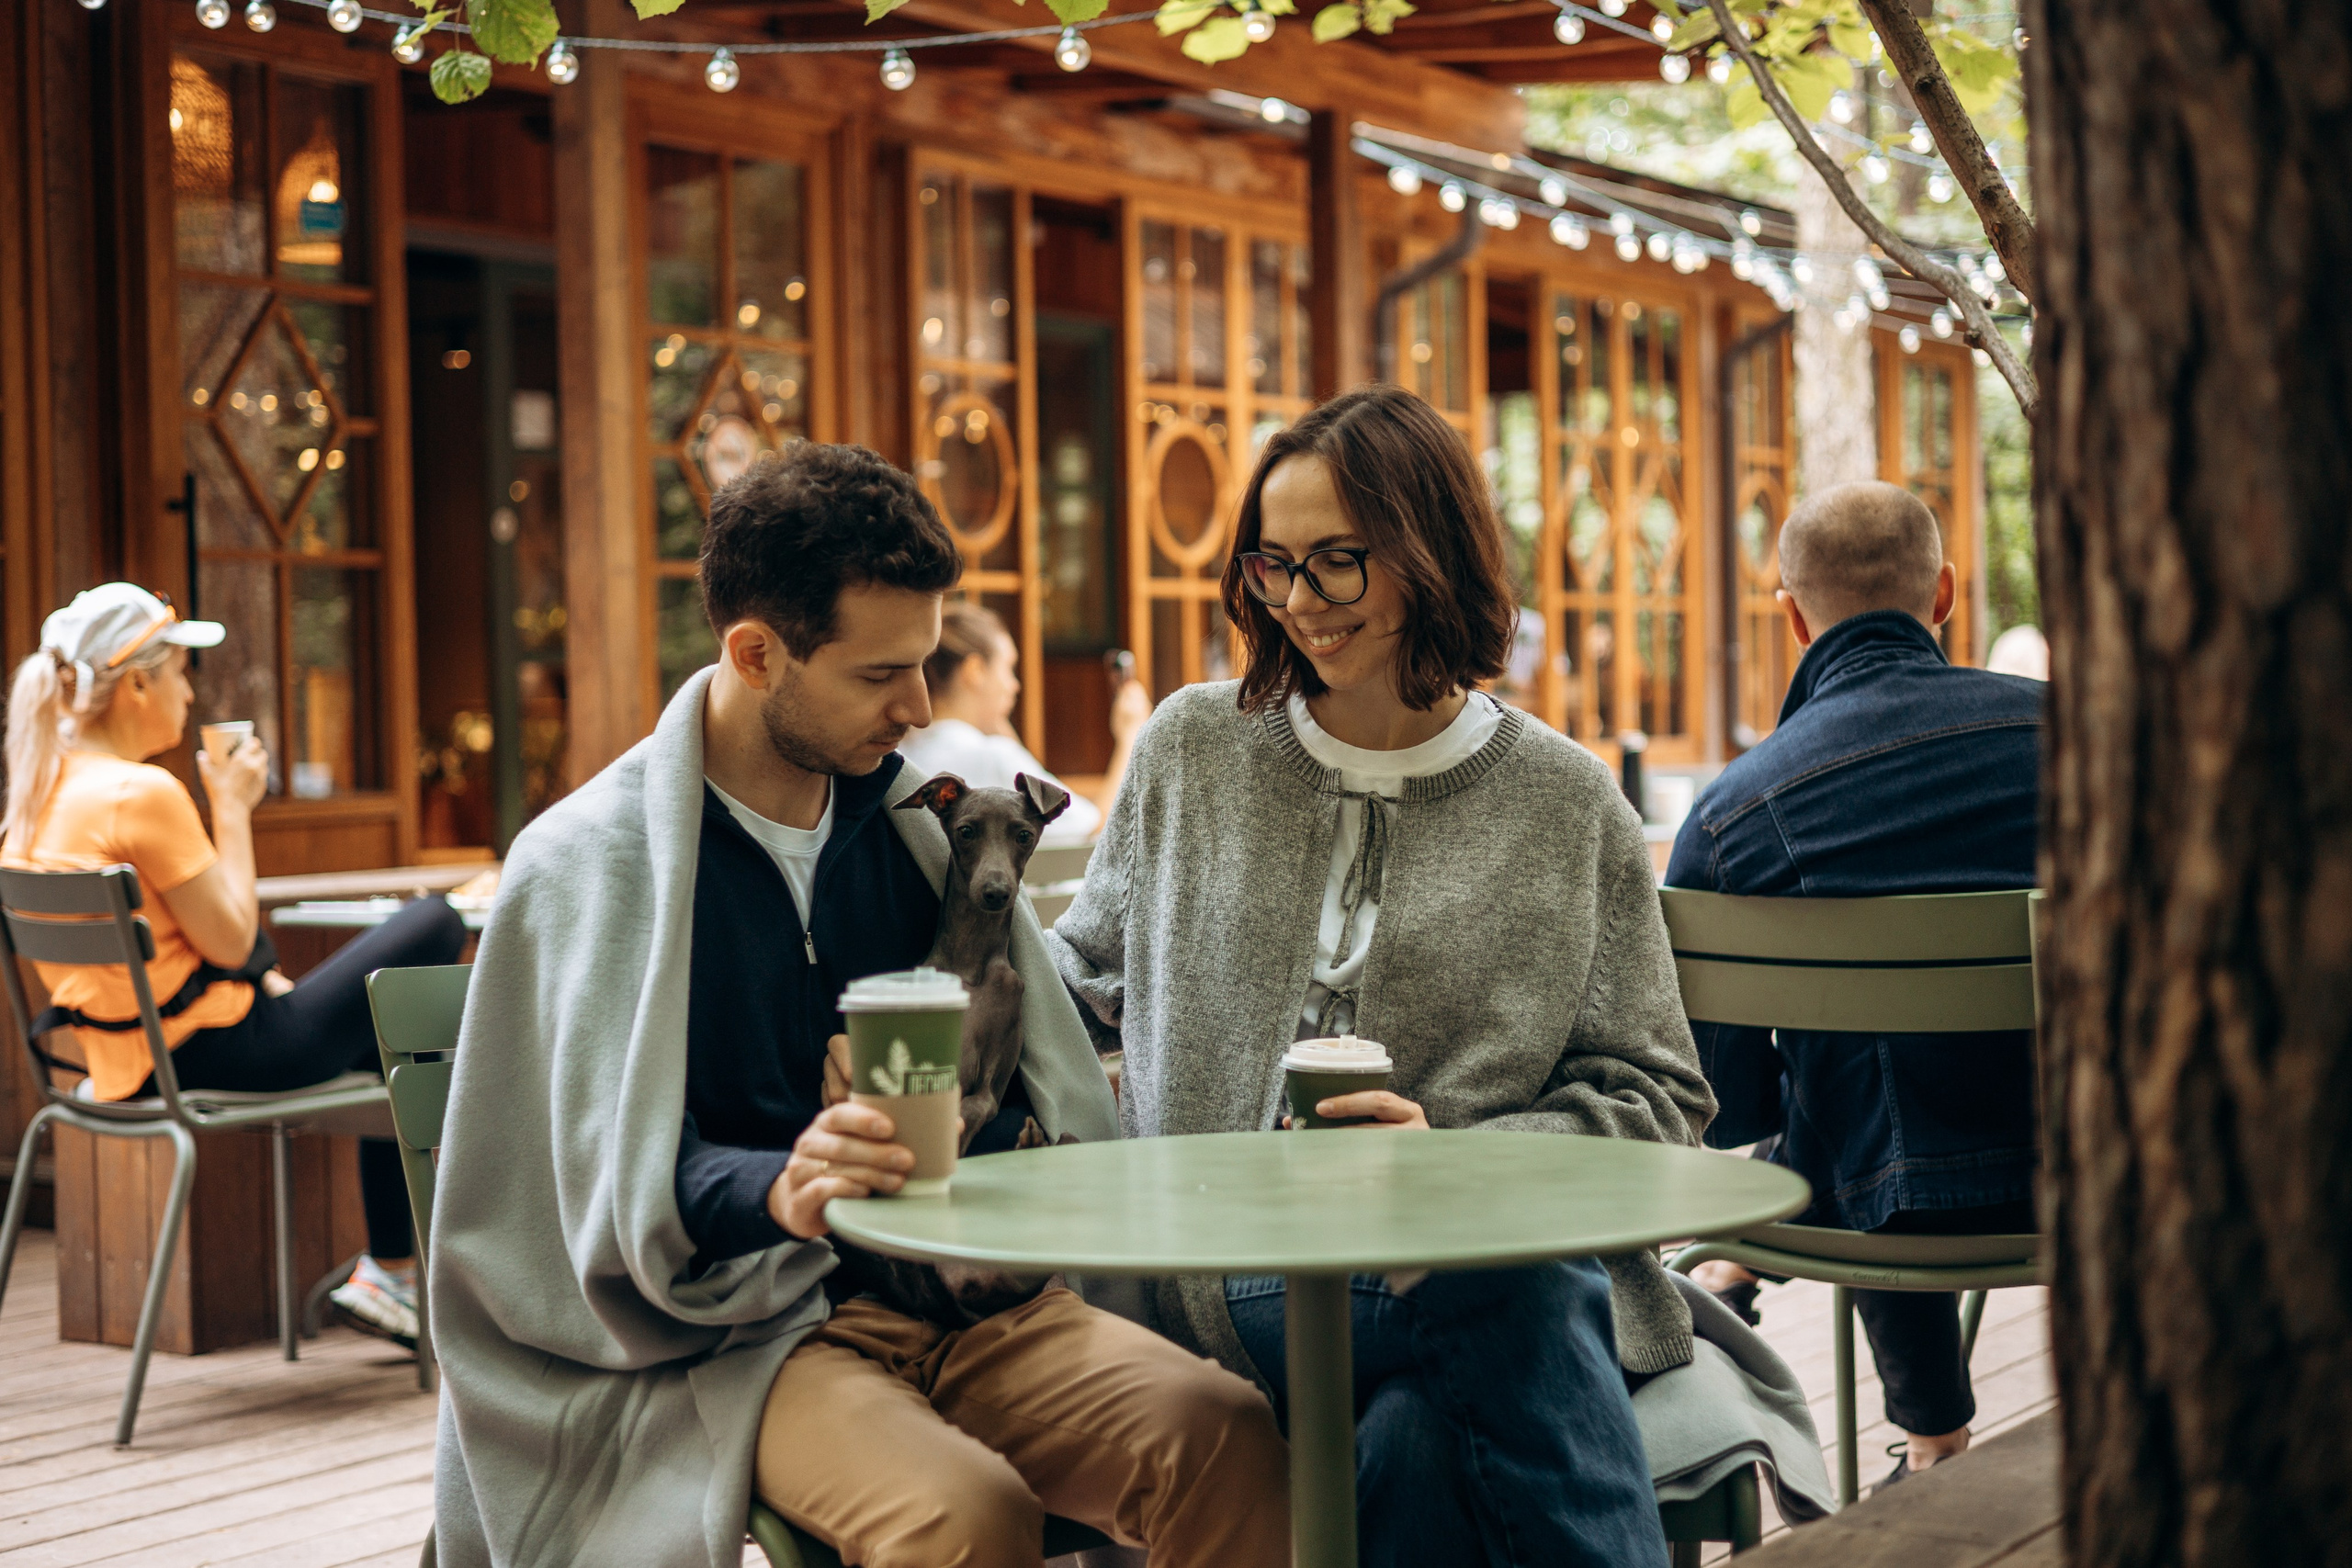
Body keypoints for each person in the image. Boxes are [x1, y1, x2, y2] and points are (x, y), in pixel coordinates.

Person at [425, 444, 1286, 1568]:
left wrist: (982, 1117)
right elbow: (593, 1180)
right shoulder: (589, 863)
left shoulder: (922, 835)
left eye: (925, 663)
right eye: (880, 674)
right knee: (962, 1514)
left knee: (1225, 1436)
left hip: (967, 1302)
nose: (918, 706)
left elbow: (1036, 1085)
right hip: (737, 1335)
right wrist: (781, 1185)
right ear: (756, 653)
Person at [1048, 385, 1716, 1568]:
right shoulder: (1193, 751)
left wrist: (1453, 1168)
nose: (1299, 604)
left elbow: (1656, 1100)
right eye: (1273, 566)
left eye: (1337, 564)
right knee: (1512, 1288)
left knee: (1417, 1440)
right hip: (1228, 1268)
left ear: (1426, 554)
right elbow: (1076, 974)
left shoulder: (1566, 805)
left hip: (1455, 1271)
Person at [1664, 481, 2043, 1491]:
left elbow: (1725, 1101)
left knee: (1855, 1084)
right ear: (1947, 595)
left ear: (1789, 615)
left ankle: (1927, 1437)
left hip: (1880, 1207)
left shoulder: (1729, 818)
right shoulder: (2088, 741)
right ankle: (1923, 1435)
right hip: (2097, 1172)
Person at [2, 582, 465, 1347]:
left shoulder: (37, 798)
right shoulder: (140, 792)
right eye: (182, 673)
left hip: (119, 1064)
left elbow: (190, 953)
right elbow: (227, 937)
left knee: (389, 1030)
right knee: (432, 923)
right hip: (221, 1055)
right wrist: (234, 805)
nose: (190, 692)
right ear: (139, 682)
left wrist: (257, 972)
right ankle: (404, 1269)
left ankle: (396, 1277)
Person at [898, 602, 1148, 842]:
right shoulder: (992, 756)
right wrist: (1131, 736)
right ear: (975, 671)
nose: (1014, 686)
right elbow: (1098, 831)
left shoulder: (903, 754)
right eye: (1008, 668)